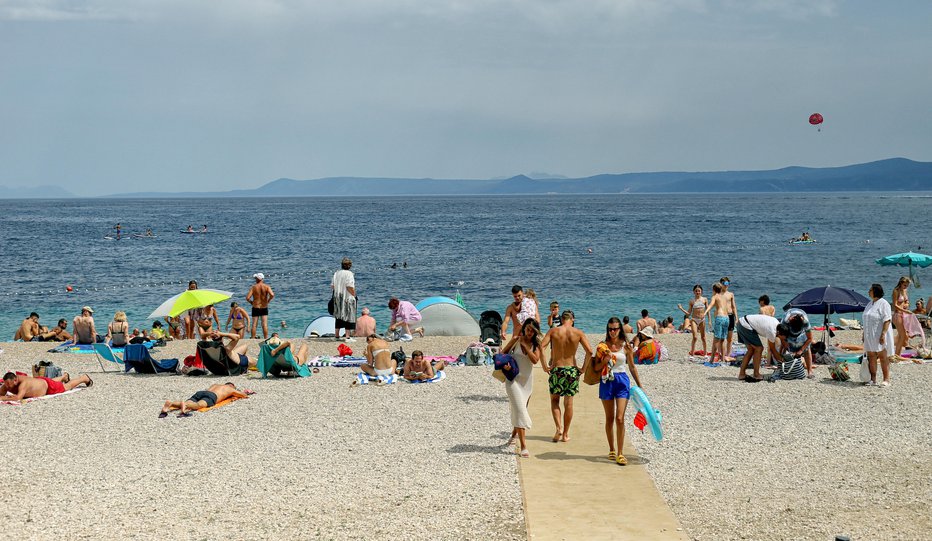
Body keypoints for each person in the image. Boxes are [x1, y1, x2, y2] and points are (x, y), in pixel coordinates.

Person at [591, 317, 641, 466]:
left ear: (620, 330)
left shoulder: (626, 346)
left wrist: (640, 385)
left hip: (622, 382)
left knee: (620, 418)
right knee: (609, 418)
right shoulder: (602, 346)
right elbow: (596, 368)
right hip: (607, 381)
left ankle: (620, 453)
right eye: (610, 329)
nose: (613, 332)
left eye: (615, 329)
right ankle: (612, 449)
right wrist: (605, 360)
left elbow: (632, 367)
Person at [540, 310, 592, 443]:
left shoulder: (553, 331)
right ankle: (566, 435)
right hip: (571, 370)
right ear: (572, 319)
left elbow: (541, 347)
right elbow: (590, 351)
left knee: (554, 401)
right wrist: (583, 368)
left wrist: (545, 365)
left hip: (557, 369)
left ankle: (558, 428)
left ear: (562, 319)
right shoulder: (578, 333)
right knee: (569, 404)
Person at [501, 319, 541, 458]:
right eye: (528, 329)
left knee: (519, 410)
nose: (529, 333)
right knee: (520, 410)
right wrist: (505, 364)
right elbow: (503, 353)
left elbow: (535, 360)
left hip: (527, 383)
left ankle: (513, 435)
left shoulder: (536, 345)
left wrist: (526, 345)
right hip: (513, 380)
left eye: (532, 331)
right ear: (524, 329)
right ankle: (523, 446)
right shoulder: (516, 340)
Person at [735, 314, 784, 382]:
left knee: (751, 350)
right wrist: (781, 360)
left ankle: (742, 374)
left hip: (742, 322)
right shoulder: (772, 332)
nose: (782, 339)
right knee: (759, 348)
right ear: (779, 333)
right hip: (746, 325)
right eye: (783, 337)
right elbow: (773, 349)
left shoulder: (777, 324)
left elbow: (783, 341)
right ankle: (756, 374)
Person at [159, 382, 249, 418]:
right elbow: (244, 395)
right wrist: (240, 392)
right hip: (212, 396)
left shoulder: (216, 384)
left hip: (201, 393)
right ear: (232, 386)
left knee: (188, 402)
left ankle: (171, 404)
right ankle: (185, 405)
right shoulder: (230, 389)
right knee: (198, 405)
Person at [863, 283, 894, 386]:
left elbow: (887, 319)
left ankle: (886, 379)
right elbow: (866, 319)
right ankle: (873, 379)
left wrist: (883, 334)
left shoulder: (884, 303)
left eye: (870, 290)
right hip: (869, 334)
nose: (868, 292)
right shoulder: (869, 304)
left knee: (883, 356)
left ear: (875, 291)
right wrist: (863, 333)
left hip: (879, 334)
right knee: (871, 356)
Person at [2, 372, 93, 402]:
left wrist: (4, 398)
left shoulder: (23, 383)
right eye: (6, 384)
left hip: (47, 387)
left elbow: (18, 398)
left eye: (8, 384)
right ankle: (64, 376)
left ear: (15, 380)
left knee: (66, 387)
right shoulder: (8, 384)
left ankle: (84, 378)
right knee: (54, 382)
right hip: (39, 382)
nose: (7, 387)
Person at [782, 308, 814, 378]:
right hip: (788, 332)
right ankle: (781, 369)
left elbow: (810, 338)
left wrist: (801, 350)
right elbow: (782, 336)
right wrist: (785, 344)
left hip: (801, 333)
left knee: (807, 349)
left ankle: (810, 371)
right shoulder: (785, 321)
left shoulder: (805, 322)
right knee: (785, 348)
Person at [702, 283, 730, 365]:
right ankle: (723, 360)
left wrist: (705, 312)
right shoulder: (724, 297)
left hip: (720, 318)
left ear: (714, 290)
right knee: (722, 340)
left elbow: (711, 305)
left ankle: (711, 360)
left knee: (716, 340)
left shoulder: (715, 297)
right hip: (726, 318)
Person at [331, 258, 357, 342]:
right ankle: (347, 337)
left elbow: (332, 286)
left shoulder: (336, 273)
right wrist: (354, 294)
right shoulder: (349, 274)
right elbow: (349, 286)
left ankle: (337, 336)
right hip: (347, 298)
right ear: (350, 266)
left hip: (338, 297)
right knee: (348, 316)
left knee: (338, 316)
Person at [678, 285, 708, 354]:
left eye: (699, 291)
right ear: (694, 292)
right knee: (695, 337)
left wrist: (709, 321)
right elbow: (688, 313)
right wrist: (681, 308)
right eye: (696, 291)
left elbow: (708, 310)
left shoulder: (705, 299)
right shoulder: (692, 301)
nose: (698, 292)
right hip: (694, 319)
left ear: (701, 291)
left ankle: (705, 353)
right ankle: (692, 353)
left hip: (702, 320)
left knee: (703, 337)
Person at [247, 273, 275, 339]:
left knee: (254, 324)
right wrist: (268, 301)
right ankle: (265, 338)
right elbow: (272, 295)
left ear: (258, 279)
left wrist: (251, 302)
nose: (255, 279)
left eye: (256, 278)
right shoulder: (267, 286)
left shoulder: (254, 287)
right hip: (264, 307)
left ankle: (253, 338)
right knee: (264, 324)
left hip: (255, 307)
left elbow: (247, 298)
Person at [891, 276, 912, 359]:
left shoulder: (905, 290)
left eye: (907, 285)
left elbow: (907, 301)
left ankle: (897, 354)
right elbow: (895, 305)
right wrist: (905, 310)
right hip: (897, 314)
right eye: (904, 285)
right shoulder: (896, 291)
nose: (906, 287)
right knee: (902, 335)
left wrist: (907, 304)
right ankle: (897, 355)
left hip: (903, 314)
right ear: (901, 283)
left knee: (902, 335)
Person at [720, 277, 738, 361]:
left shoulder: (731, 294)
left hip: (730, 316)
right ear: (721, 284)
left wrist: (736, 317)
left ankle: (728, 354)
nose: (726, 285)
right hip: (722, 316)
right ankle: (722, 354)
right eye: (724, 283)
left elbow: (734, 307)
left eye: (727, 284)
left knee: (730, 338)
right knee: (722, 336)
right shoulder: (718, 294)